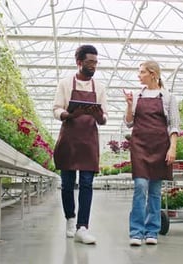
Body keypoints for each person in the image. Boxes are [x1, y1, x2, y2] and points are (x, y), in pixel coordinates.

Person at [52, 44, 108, 244]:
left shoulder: (99, 88)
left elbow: (104, 117)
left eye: (95, 62)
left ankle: (82, 227)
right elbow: (57, 109)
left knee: (86, 183)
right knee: (67, 184)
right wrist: (69, 114)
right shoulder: (66, 83)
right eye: (89, 62)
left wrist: (100, 116)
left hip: (88, 141)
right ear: (79, 62)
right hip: (69, 139)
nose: (93, 66)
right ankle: (70, 218)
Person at [123, 60, 179, 246]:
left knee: (155, 191)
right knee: (140, 186)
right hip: (139, 145)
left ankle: (152, 231)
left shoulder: (168, 97)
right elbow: (129, 123)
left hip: (159, 146)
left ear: (153, 74)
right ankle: (136, 231)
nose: (138, 76)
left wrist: (172, 147)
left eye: (141, 72)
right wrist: (130, 105)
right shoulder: (138, 95)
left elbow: (174, 125)